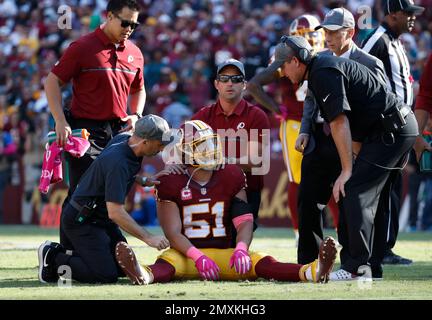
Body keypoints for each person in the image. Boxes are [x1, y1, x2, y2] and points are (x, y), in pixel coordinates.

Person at [115, 120, 338, 285]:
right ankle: (142, 273)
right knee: (166, 263)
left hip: (227, 254)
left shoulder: (230, 174)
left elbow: (244, 220)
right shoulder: (170, 180)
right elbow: (173, 233)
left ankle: (311, 271)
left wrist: (241, 249)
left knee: (262, 261)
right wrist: (198, 256)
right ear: (185, 150)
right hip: (187, 255)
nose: (210, 151)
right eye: (202, 146)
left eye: (211, 144)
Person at [276, 35, 418, 280]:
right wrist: (350, 164)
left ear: (296, 61)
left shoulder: (323, 72)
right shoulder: (320, 69)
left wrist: (346, 170)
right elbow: (351, 123)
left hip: (392, 130)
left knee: (353, 189)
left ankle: (356, 269)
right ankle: (368, 267)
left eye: (283, 66)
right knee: (358, 192)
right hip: (386, 130)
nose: (282, 73)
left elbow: (340, 123)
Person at [44, 0, 146, 250]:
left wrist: (137, 114)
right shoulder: (82, 47)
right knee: (82, 192)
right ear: (109, 16)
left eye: (134, 24)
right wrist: (60, 120)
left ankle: (97, 250)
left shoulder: (135, 53)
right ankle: (68, 251)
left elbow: (140, 89)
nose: (129, 28)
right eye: (125, 22)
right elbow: (52, 82)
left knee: (106, 193)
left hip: (120, 131)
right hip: (86, 132)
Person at [292, 8, 386, 272]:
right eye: (326, 32)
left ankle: (352, 265)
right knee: (308, 200)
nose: (328, 37)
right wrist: (305, 130)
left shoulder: (369, 62)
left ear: (350, 32)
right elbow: (310, 100)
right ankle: (308, 265)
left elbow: (379, 104)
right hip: (320, 140)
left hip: (354, 143)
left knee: (349, 204)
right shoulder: (320, 59)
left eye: (334, 32)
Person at [37, 115, 171, 284]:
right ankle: (53, 257)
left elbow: (109, 168)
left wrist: (140, 180)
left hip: (97, 217)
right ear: (145, 141)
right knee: (104, 275)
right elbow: (115, 212)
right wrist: (148, 237)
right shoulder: (120, 162)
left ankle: (79, 255)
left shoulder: (125, 139)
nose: (161, 148)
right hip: (83, 221)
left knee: (121, 268)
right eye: (159, 144)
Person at [248, 15, 329, 244]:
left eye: (313, 33)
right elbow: (254, 84)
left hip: (325, 121)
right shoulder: (286, 56)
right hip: (295, 122)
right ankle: (298, 233)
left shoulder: (327, 53)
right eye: (304, 35)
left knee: (331, 178)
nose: (311, 39)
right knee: (298, 180)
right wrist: (276, 108)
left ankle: (344, 231)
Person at [361, 0, 425, 265]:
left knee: (392, 189)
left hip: (400, 128)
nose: (413, 18)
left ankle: (385, 248)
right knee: (381, 190)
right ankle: (378, 250)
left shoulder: (396, 41)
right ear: (393, 14)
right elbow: (358, 77)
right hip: (384, 129)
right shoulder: (376, 41)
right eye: (408, 13)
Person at [192, 59, 271, 233]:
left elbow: (256, 161)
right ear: (216, 84)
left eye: (236, 79)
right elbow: (186, 153)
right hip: (209, 192)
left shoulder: (257, 116)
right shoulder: (203, 115)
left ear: (244, 85)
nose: (230, 83)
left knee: (235, 251)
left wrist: (217, 161)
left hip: (245, 192)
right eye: (224, 78)